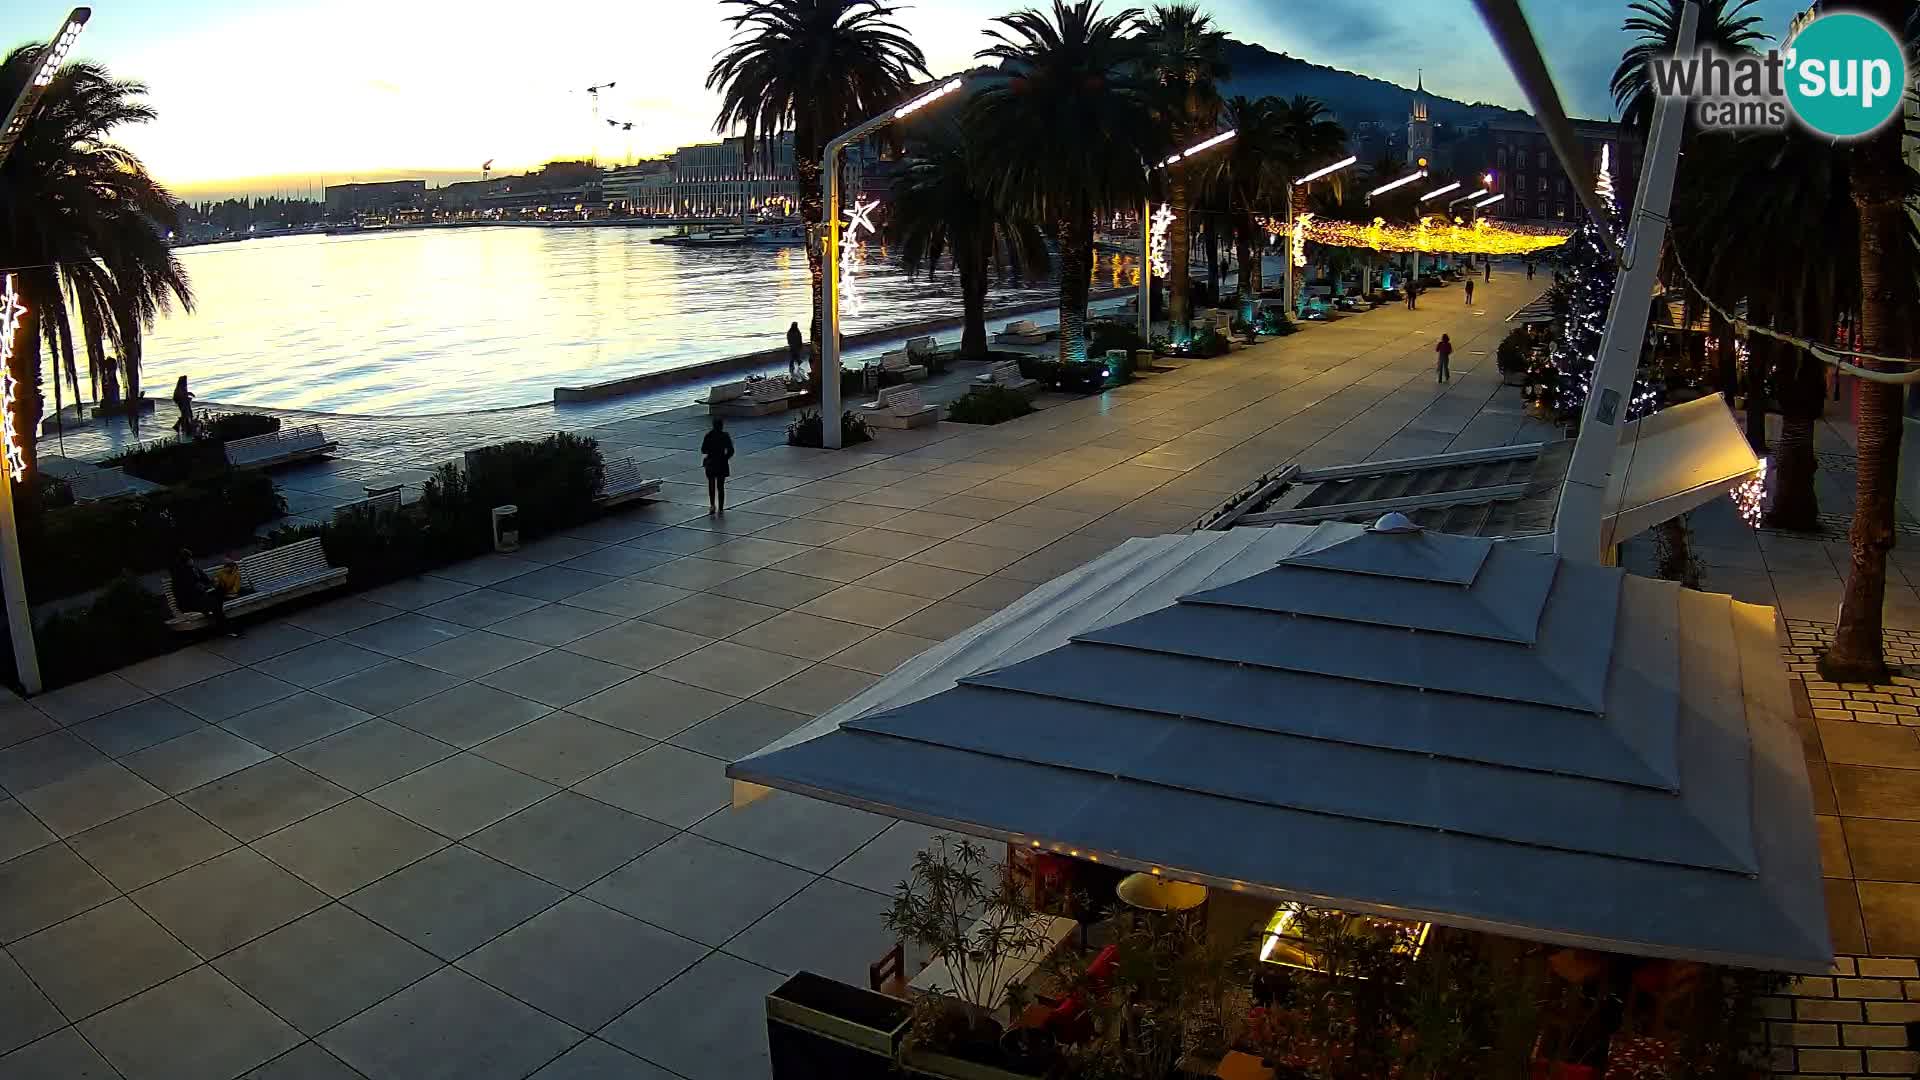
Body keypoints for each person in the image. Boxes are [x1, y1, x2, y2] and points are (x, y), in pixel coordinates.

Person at [167, 548, 235, 636]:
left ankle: (224, 626)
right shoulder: (179, 574)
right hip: (190, 603)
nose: (192, 560)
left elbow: (207, 581)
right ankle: (225, 628)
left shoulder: (194, 569)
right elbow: (186, 593)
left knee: (219, 594)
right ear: (184, 561)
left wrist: (212, 585)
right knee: (215, 603)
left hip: (202, 597)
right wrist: (203, 588)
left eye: (191, 558)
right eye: (189, 559)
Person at [701, 415, 734, 514]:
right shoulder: (725, 436)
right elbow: (731, 450)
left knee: (711, 484)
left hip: (711, 462)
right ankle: (721, 507)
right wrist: (725, 458)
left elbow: (703, 450)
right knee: (721, 486)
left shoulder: (708, 435)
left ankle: (712, 505)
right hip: (722, 462)